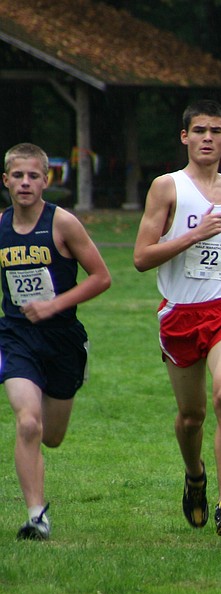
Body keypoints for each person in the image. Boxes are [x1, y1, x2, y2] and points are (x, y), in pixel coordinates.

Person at [133, 100, 221, 537]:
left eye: (216, 131)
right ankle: (195, 476)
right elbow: (140, 258)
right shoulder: (167, 187)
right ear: (184, 137)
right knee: (192, 416)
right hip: (180, 314)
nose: (208, 137)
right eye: (199, 130)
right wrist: (192, 235)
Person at [0, 143, 112, 540]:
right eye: (18, 175)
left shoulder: (62, 223)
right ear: (6, 180)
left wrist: (53, 306)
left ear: (46, 180)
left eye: (33, 176)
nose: (25, 183)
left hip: (63, 340)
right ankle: (36, 516)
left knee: (52, 435)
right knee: (28, 422)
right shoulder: (1, 226)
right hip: (16, 338)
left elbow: (102, 277)